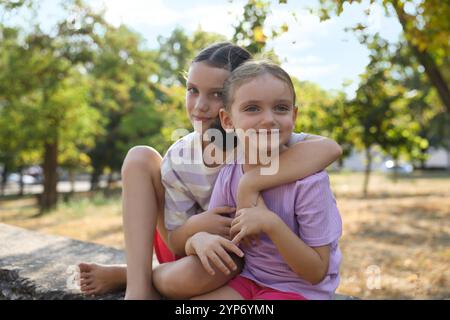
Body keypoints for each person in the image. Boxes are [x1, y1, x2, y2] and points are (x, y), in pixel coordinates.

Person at [78, 43, 342, 300]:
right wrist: (196, 228)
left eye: (216, 94)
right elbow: (175, 241)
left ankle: (134, 275)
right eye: (192, 90)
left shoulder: (265, 137)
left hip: (238, 256)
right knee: (139, 156)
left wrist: (249, 183)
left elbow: (329, 148)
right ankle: (138, 286)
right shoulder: (183, 155)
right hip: (188, 245)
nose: (200, 106)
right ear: (230, 116)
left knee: (222, 264)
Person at [188, 60, 343, 300]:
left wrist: (271, 223)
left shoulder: (310, 183)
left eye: (280, 108)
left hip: (299, 290)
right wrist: (198, 239)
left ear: (294, 115)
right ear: (228, 121)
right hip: (249, 279)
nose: (269, 119)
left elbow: (316, 272)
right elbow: (223, 235)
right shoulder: (230, 173)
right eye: (252, 108)